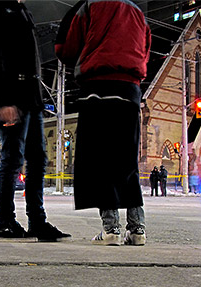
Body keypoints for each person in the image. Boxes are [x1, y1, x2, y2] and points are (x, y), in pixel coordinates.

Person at [56, 0, 151, 246]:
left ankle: (111, 230)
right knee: (127, 160)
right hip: (130, 90)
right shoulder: (137, 12)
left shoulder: (89, 6)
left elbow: (67, 49)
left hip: (97, 87)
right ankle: (137, 229)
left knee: (101, 160)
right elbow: (145, 49)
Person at [0, 0, 70, 241]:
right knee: (12, 159)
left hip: (32, 98)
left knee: (38, 159)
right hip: (12, 97)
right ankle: (5, 222)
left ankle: (37, 222)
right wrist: (1, 101)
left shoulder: (22, 11)